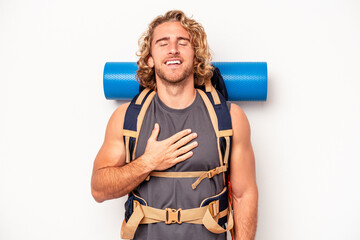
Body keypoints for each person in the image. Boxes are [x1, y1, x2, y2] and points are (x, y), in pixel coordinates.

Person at [91, 10, 258, 240]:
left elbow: (244, 195)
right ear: (150, 58)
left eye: (183, 42)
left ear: (196, 56)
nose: (173, 49)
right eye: (163, 43)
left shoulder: (230, 118)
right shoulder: (126, 118)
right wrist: (148, 162)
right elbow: (98, 189)